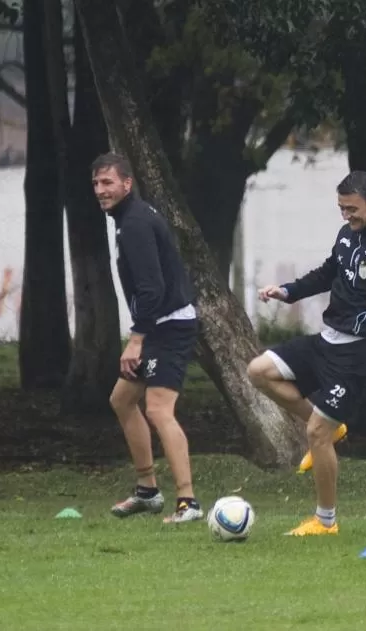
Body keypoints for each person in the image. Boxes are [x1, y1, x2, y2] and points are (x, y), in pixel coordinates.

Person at [247, 170, 366, 536]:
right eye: (341, 208)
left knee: (316, 431)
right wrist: (286, 291)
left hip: (364, 353)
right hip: (327, 340)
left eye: (352, 209)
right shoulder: (347, 235)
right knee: (258, 371)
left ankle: (325, 521)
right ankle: (333, 431)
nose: (346, 216)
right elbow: (327, 273)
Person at [92, 152, 203, 524]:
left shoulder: (136, 222)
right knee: (122, 400)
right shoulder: (128, 219)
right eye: (95, 184)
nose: (100, 190)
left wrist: (136, 339)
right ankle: (147, 491)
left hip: (169, 326)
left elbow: (152, 289)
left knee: (157, 410)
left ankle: (188, 502)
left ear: (127, 184)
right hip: (158, 323)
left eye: (107, 182)